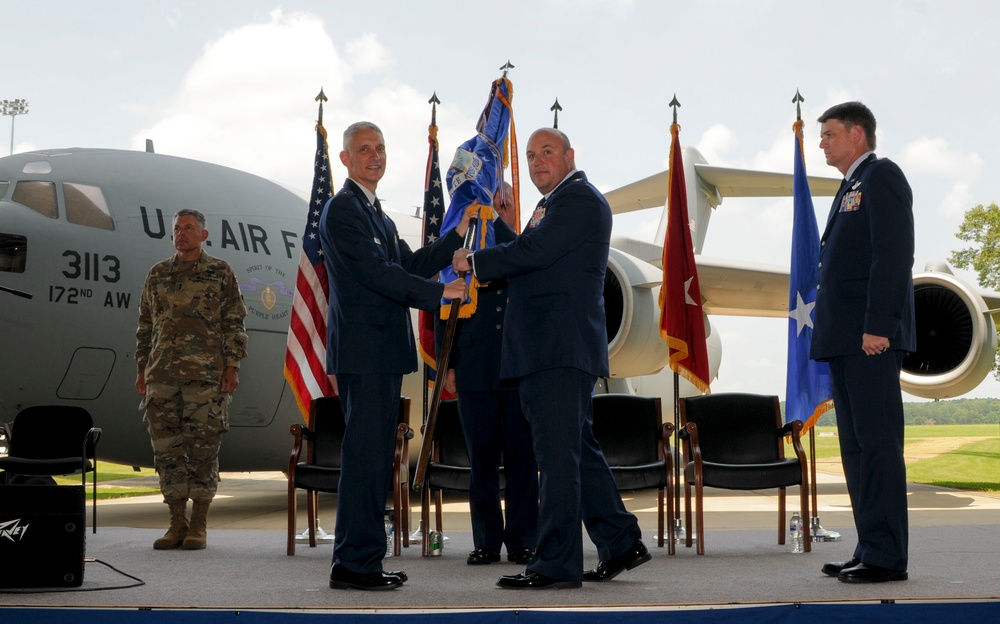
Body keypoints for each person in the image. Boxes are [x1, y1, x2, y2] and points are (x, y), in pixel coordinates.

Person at [453, 128, 648, 589]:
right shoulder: (553, 203)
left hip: (558, 349)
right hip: (549, 350)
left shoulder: (578, 200)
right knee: (576, 451)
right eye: (531, 155)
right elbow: (531, 255)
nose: (538, 161)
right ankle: (621, 541)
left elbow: (534, 252)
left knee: (557, 459)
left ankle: (555, 563)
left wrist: (476, 262)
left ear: (569, 156)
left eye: (547, 152)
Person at [320, 121, 469, 591]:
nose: (375, 155)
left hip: (381, 355)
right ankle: (353, 564)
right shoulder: (343, 210)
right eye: (364, 149)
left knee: (376, 457)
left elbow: (407, 264)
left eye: (380, 148)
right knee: (365, 458)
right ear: (345, 159)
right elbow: (379, 273)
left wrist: (454, 239)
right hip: (364, 356)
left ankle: (363, 559)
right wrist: (440, 292)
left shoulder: (377, 215)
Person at [810, 101, 914, 584]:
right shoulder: (849, 186)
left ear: (856, 134)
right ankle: (869, 546)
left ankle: (888, 556)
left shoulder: (881, 177)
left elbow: (892, 254)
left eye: (829, 134)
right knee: (855, 449)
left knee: (877, 446)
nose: (822, 143)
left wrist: (879, 324)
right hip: (845, 340)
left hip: (869, 339)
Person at [135, 208, 248, 551]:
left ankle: (198, 524)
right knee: (167, 452)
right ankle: (176, 524)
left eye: (189, 228)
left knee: (202, 449)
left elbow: (234, 323)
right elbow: (145, 326)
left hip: (205, 378)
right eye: (177, 229)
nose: (181, 233)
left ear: (203, 234)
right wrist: (143, 368)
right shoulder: (157, 275)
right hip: (162, 377)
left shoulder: (219, 272)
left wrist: (232, 366)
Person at [439, 182, 538, 567]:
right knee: (480, 461)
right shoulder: (464, 253)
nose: (497, 208)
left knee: (522, 460)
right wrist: (447, 364)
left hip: (517, 370)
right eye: (491, 202)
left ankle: (522, 540)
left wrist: (505, 224)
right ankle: (485, 542)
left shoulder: (525, 248)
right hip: (474, 368)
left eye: (504, 203)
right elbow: (445, 303)